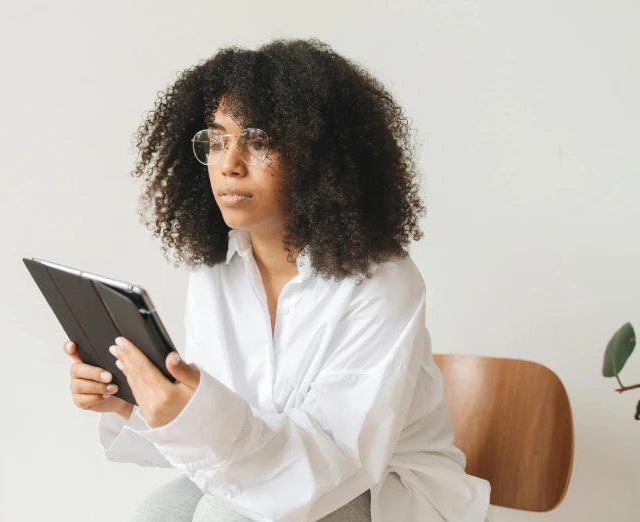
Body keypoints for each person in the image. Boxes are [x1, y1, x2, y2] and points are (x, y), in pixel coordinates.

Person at [63, 38, 493, 522]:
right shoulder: (214, 269)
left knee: (221, 518)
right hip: (264, 470)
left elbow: (334, 465)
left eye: (260, 141)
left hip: (380, 490)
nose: (229, 163)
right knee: (156, 515)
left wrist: (197, 416)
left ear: (321, 159)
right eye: (217, 139)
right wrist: (133, 403)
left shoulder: (383, 282)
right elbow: (217, 447)